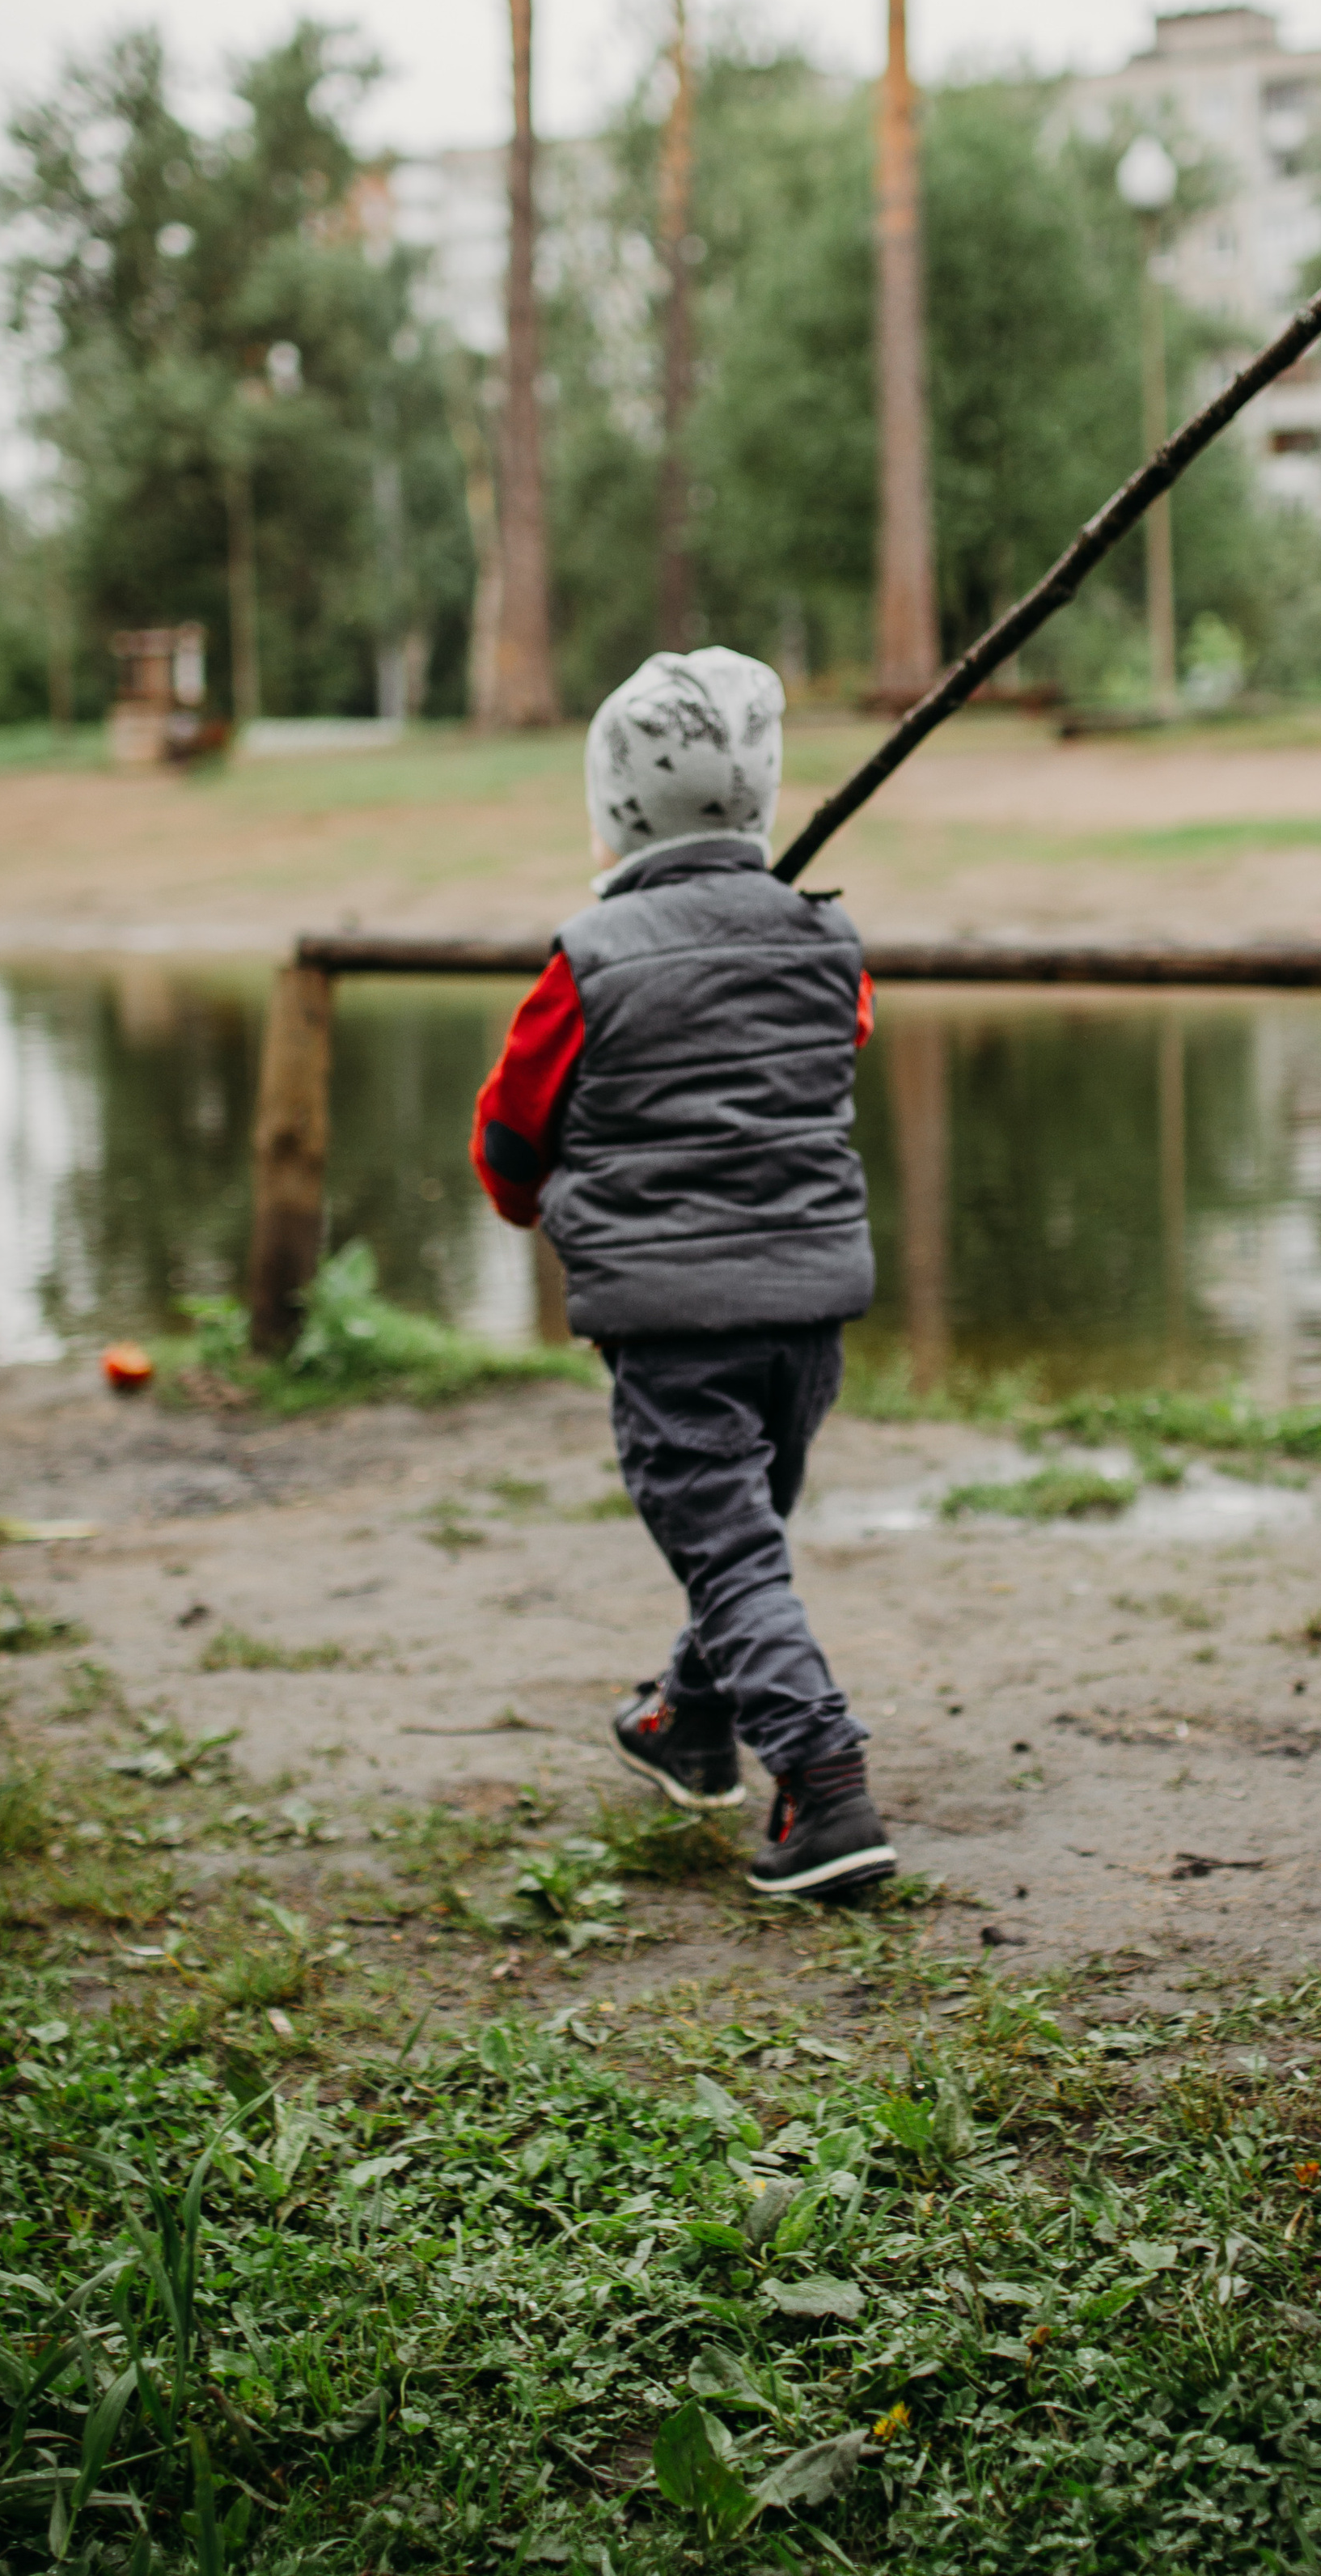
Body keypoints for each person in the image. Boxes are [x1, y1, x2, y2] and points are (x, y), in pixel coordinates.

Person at [469, 647, 896, 1900]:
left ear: (608, 811)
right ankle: (688, 1724)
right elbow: (840, 1031)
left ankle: (824, 1782)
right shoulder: (829, 942)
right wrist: (768, 920)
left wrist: (534, 1205)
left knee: (727, 1553)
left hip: (671, 1321)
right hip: (807, 1314)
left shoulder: (589, 963)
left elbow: (510, 1133)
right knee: (745, 1535)